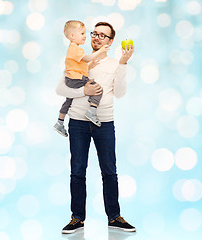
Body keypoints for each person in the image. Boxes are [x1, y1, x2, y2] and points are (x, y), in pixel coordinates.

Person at [56, 21, 135, 234]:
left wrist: (124, 63)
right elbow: (60, 88)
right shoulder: (78, 59)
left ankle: (114, 217)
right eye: (94, 33)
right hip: (79, 123)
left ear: (110, 42)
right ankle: (77, 219)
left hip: (104, 124)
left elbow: (119, 93)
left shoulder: (113, 64)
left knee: (110, 171)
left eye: (103, 35)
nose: (97, 37)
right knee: (77, 171)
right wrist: (85, 92)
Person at [53, 20, 110, 137]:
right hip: (76, 79)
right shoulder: (76, 49)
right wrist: (101, 51)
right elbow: (87, 58)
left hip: (71, 78)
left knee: (69, 100)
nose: (85, 36)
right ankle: (92, 111)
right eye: (82, 33)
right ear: (72, 36)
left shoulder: (73, 48)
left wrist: (90, 66)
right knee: (98, 89)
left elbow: (79, 67)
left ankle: (59, 122)